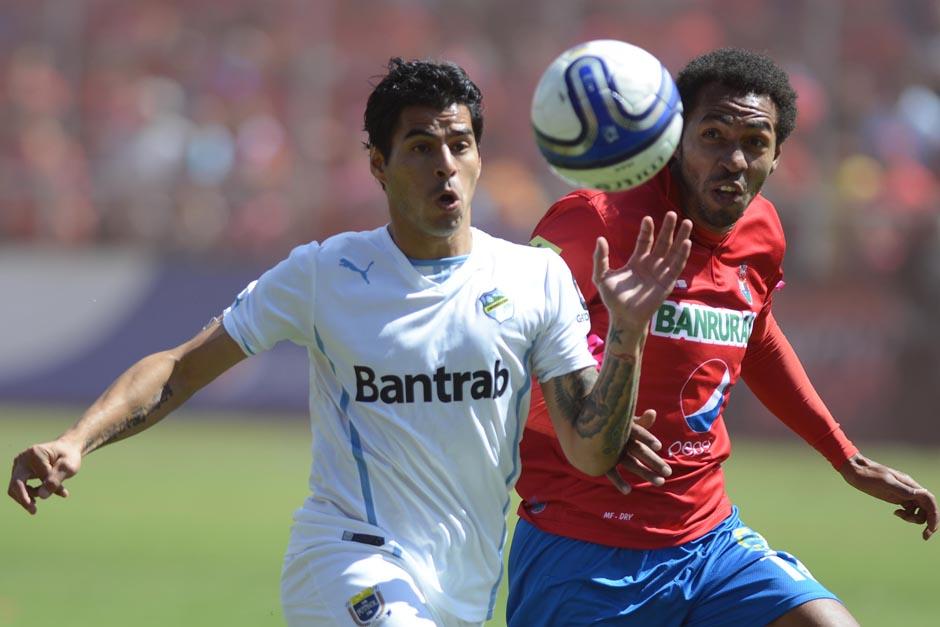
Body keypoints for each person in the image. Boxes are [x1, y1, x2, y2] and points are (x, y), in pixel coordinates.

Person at [8, 58, 692, 626]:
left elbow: (591, 450)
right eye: (421, 147)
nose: (445, 166)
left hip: (463, 585)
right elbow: (181, 368)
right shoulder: (323, 273)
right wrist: (76, 440)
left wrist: (626, 338)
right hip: (345, 559)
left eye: (459, 144)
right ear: (377, 164)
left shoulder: (534, 277)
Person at [508, 48, 938, 627]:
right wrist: (586, 420)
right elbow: (507, 351)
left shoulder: (762, 231)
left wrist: (846, 457)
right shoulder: (594, 221)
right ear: (675, 139)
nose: (733, 159)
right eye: (712, 135)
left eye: (755, 143)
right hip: (583, 545)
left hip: (708, 542)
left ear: (779, 156)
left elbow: (755, 336)